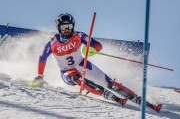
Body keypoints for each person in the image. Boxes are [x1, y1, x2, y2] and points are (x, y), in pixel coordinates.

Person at [33, 13, 162, 112]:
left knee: (109, 83)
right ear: (59, 28)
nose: (67, 29)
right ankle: (109, 96)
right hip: (67, 72)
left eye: (69, 26)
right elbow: (42, 57)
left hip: (83, 64)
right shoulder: (52, 42)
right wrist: (40, 75)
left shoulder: (79, 36)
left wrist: (92, 50)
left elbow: (97, 45)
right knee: (76, 77)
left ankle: (137, 99)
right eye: (64, 27)